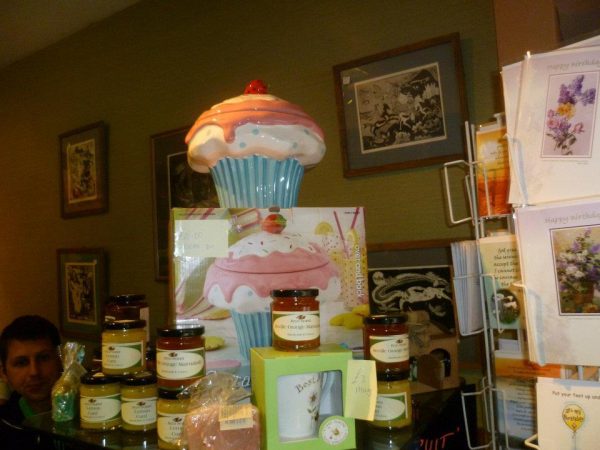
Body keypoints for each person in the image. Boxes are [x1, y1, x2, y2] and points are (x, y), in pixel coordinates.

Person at [0, 315, 62, 449]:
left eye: (43, 358)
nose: (34, 372)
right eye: (21, 363)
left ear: (60, 361)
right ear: (4, 372)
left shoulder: (88, 415)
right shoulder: (4, 425)